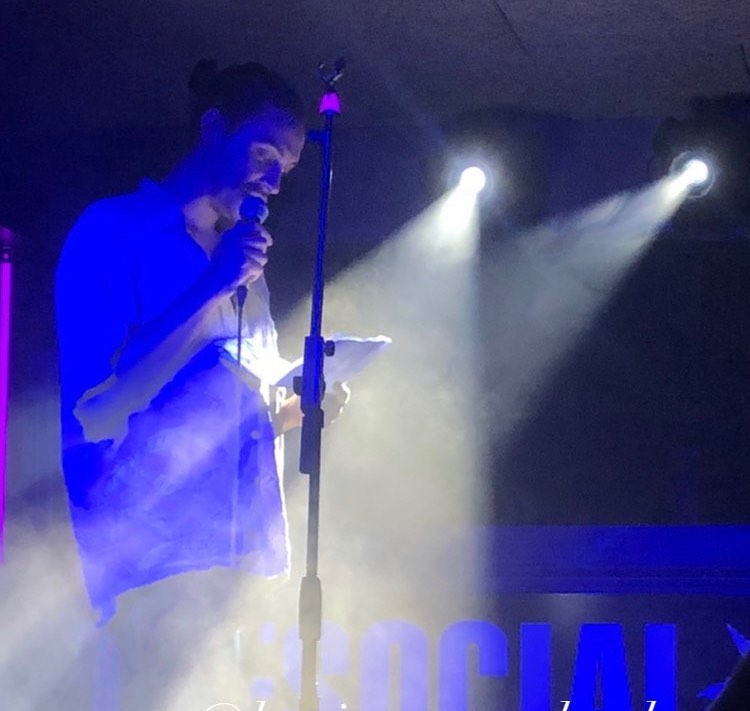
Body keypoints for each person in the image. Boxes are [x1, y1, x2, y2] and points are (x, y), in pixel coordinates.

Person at [55, 59, 346, 709]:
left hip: (239, 557)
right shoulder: (115, 231)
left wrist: (291, 408)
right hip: (153, 561)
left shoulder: (242, 258)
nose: (273, 180)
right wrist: (211, 286)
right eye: (264, 153)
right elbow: (96, 411)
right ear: (215, 126)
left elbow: (219, 402)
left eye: (286, 168)